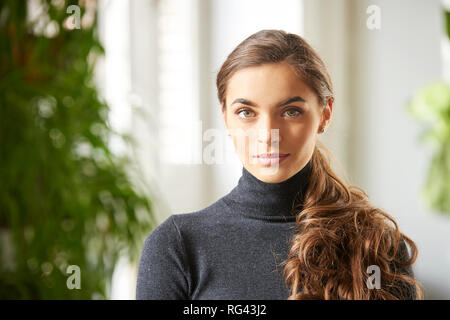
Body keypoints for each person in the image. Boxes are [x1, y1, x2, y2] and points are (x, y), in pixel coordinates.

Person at [136, 29, 424, 300]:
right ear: (225, 118)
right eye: (246, 112)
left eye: (290, 111)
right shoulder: (176, 246)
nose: (268, 136)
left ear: (325, 114)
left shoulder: (376, 245)